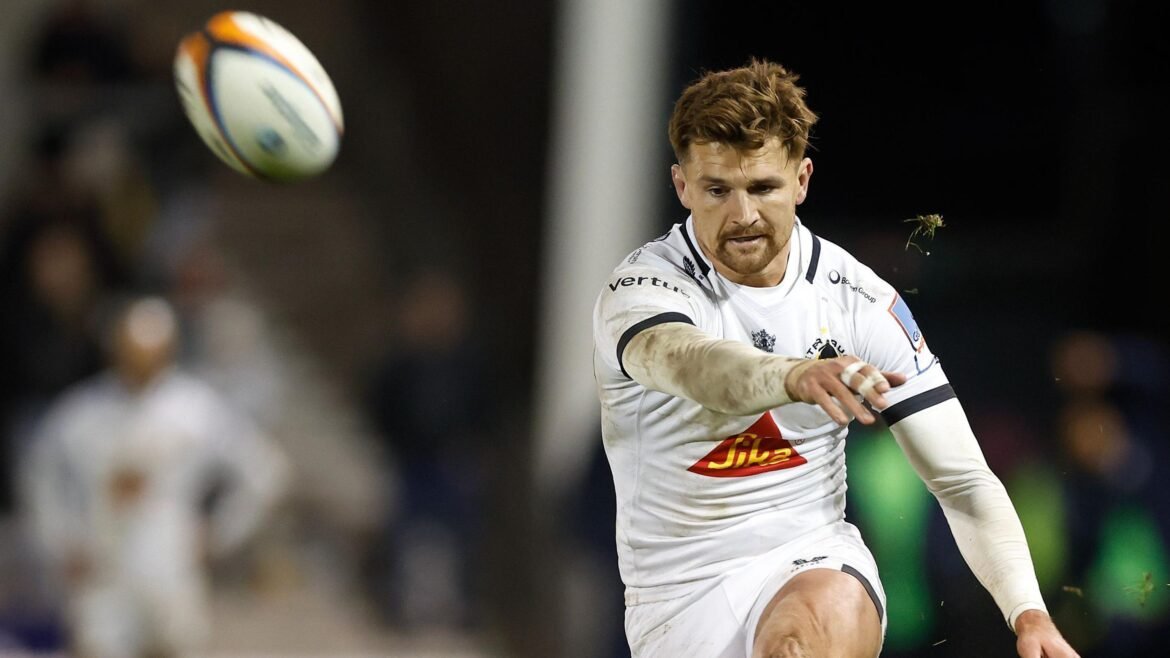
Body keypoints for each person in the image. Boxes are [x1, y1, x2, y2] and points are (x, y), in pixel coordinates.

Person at [591, 59, 1078, 658]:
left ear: (802, 179)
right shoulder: (642, 290)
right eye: (717, 190)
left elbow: (961, 478)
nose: (742, 215)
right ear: (682, 186)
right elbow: (696, 366)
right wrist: (793, 375)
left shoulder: (857, 300)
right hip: (677, 599)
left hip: (810, 556)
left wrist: (1029, 614)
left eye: (763, 188)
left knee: (810, 626)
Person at [18, 295, 291, 658]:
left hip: (168, 567)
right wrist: (60, 541)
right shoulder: (84, 411)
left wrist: (217, 532)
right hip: (103, 571)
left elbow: (264, 471)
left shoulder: (195, 410)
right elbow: (39, 473)